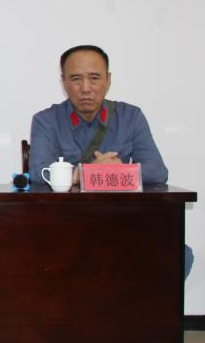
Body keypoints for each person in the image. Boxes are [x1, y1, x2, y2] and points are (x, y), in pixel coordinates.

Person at [29, 45, 192, 277]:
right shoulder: (46, 120)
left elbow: (158, 171)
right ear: (63, 82)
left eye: (94, 78)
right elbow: (38, 171)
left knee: (179, 254)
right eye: (76, 79)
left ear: (108, 80)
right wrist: (88, 173)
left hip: (122, 223)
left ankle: (137, 302)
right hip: (65, 225)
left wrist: (119, 170)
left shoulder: (130, 117)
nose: (86, 88)